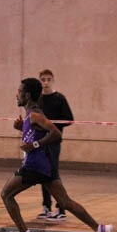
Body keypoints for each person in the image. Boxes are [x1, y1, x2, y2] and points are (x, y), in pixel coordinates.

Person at [0, 77, 113, 232]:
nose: (17, 95)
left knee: (6, 194)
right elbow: (35, 134)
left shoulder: (36, 114)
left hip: (35, 165)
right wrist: (22, 128)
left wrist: (34, 146)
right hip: (46, 165)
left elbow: (56, 133)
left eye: (19, 91)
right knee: (64, 202)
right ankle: (101, 230)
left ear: (28, 95)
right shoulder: (31, 115)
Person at [35, 69, 74, 221]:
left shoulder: (59, 98)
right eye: (43, 79)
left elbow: (69, 119)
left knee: (53, 174)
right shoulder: (38, 99)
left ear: (53, 80)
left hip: (53, 142)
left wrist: (53, 125)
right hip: (40, 141)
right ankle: (46, 206)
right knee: (43, 174)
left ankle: (61, 208)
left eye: (48, 79)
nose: (45, 82)